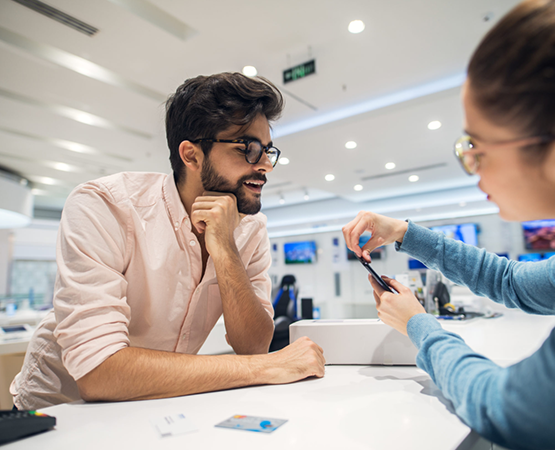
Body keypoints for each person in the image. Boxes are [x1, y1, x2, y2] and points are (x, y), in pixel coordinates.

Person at [343, 1, 555, 448]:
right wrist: (403, 232)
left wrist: (420, 326)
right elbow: (513, 282)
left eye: (477, 148)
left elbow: (508, 408)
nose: (471, 165)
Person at [11, 73, 325, 411]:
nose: (265, 165)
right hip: (59, 412)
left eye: (267, 150)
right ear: (191, 155)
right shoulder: (105, 205)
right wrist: (266, 368)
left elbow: (253, 345)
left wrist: (225, 248)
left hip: (154, 406)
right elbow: (98, 371)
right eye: (247, 149)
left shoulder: (250, 229)